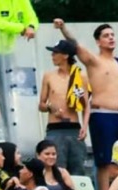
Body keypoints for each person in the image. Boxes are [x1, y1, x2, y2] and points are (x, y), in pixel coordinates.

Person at [52, 19, 118, 190]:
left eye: (112, 35)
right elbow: (75, 45)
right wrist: (63, 27)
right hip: (102, 115)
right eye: (106, 36)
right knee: (104, 163)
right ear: (98, 41)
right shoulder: (94, 61)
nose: (111, 38)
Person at [39, 38, 89, 177]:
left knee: (78, 170)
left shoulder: (80, 76)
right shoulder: (49, 76)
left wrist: (85, 127)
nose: (52, 56)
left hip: (74, 128)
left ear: (66, 55)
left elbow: (86, 106)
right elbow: (41, 104)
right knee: (55, 169)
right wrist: (51, 108)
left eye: (55, 53)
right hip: (55, 128)